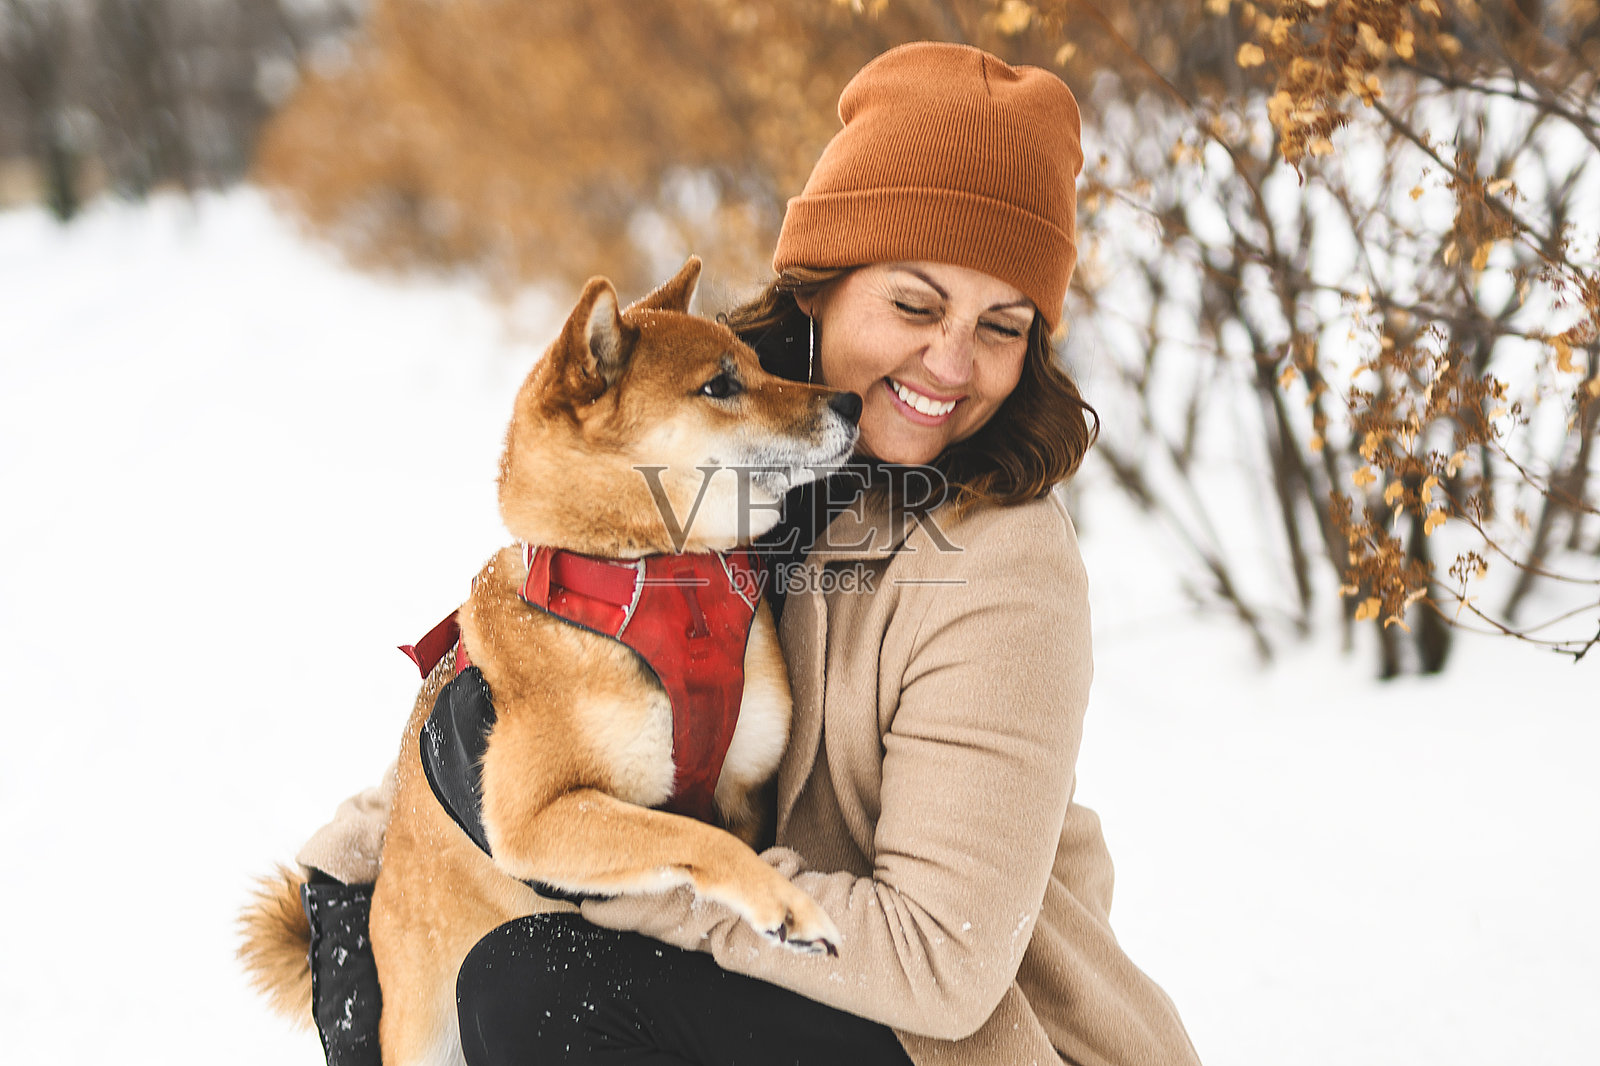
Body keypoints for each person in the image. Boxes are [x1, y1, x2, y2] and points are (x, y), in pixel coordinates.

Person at [298, 40, 1201, 1066]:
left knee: (538, 982)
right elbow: (536, 667)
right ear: (819, 285)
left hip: (968, 1036)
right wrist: (350, 877)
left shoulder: (1001, 566)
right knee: (510, 972)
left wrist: (623, 866)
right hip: (776, 993)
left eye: (1001, 326)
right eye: (913, 305)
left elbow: (941, 963)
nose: (950, 364)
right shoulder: (717, 441)